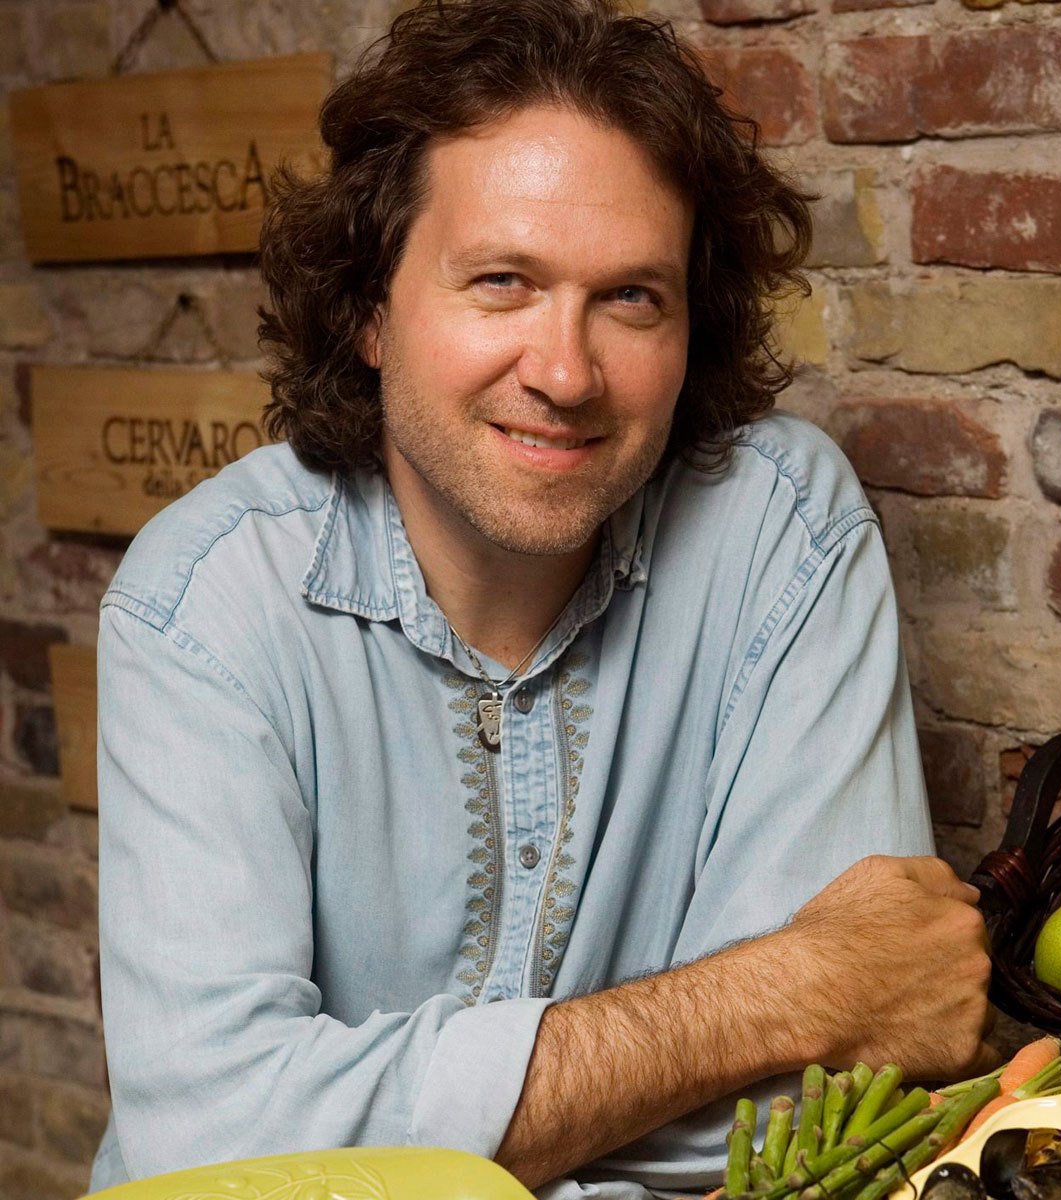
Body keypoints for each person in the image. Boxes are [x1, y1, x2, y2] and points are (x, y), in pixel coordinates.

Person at [91, 1, 997, 1195]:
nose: (566, 374)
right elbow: (212, 1146)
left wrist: (378, 1123)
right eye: (502, 281)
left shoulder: (782, 530)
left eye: (631, 298)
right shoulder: (204, 603)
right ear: (370, 310)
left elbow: (825, 1108)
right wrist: (780, 992)